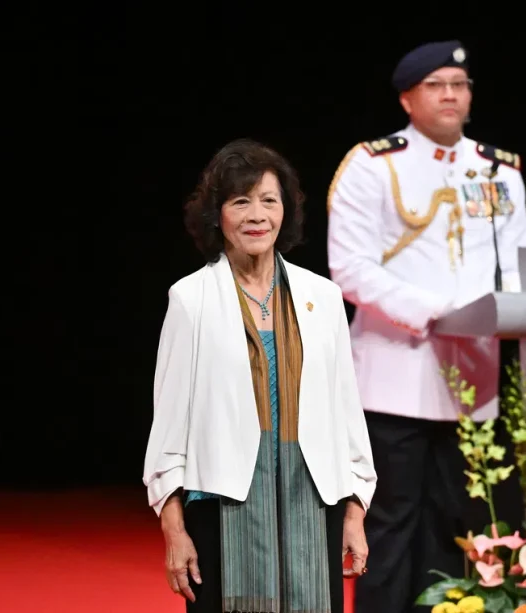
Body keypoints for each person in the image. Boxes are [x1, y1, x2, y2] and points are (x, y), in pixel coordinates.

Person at [326, 40, 526, 613]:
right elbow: (349, 267)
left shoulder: (500, 170)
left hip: (474, 382)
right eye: (436, 85)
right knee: (390, 526)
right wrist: (435, 310)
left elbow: (517, 264)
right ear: (407, 99)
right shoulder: (372, 164)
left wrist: (501, 310)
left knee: (460, 526)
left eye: (459, 85)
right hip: (396, 375)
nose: (450, 95)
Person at [142, 138, 377, 613]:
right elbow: (168, 429)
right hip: (222, 507)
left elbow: (346, 412)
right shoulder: (191, 299)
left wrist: (355, 511)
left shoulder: (322, 297)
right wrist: (173, 530)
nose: (257, 216)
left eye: (269, 201)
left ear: (285, 211)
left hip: (313, 504)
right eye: (240, 202)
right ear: (217, 215)